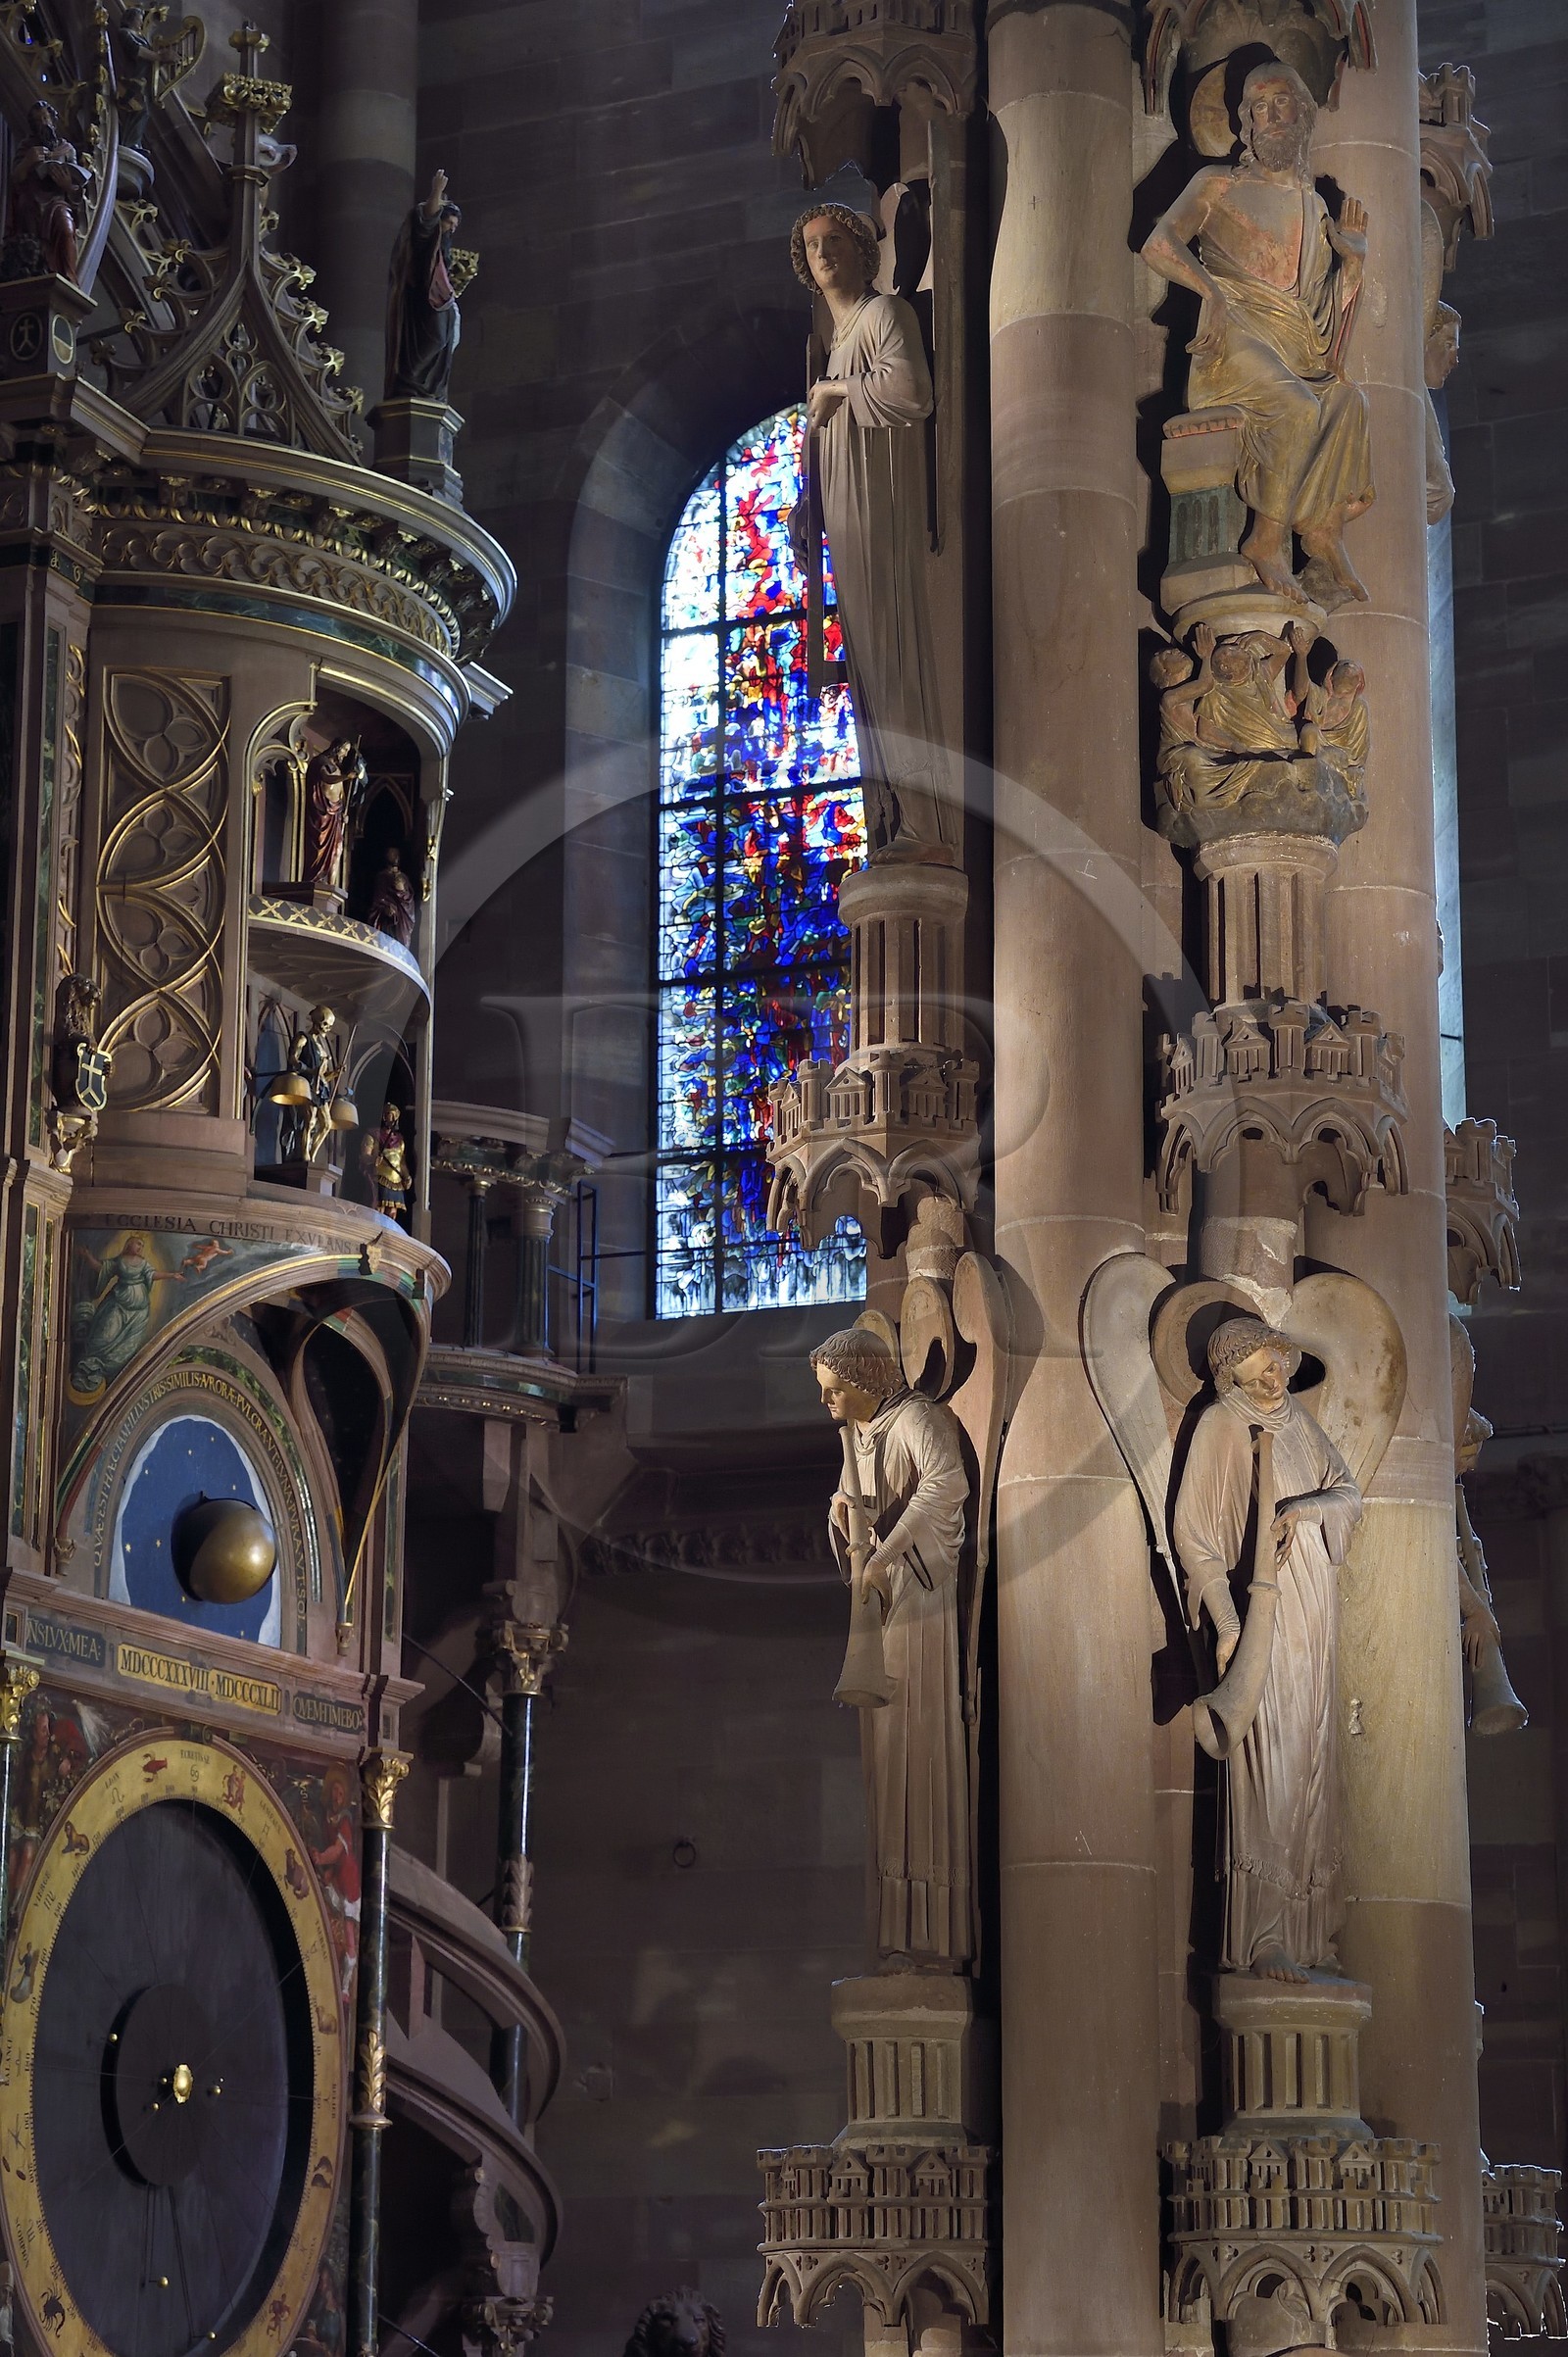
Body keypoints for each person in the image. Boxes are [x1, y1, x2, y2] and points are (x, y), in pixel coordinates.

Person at [1142, 62, 1373, 608]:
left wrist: (1354, 267)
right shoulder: (1218, 184)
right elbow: (1158, 245)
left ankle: (1321, 529)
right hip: (1231, 346)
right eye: (1258, 108)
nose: (1270, 116)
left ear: (1304, 113)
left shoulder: (1316, 207)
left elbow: (1325, 335)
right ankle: (1265, 540)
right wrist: (1211, 293)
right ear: (1245, 123)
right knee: (1297, 410)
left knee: (1347, 399)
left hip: (1293, 346)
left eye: (1280, 103)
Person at [1172, 1317, 1362, 1982]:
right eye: (1259, 1365)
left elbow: (1348, 1493)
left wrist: (1301, 1509)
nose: (1274, 1373)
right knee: (1270, 1768)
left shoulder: (1301, 1424)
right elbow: (1193, 1534)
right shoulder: (1222, 1425)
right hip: (1263, 1618)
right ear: (1233, 1372)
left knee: (1313, 1762)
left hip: (1314, 1614)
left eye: (1278, 1360)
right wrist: (1226, 1625)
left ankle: (1312, 1931)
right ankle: (1262, 1935)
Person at [791, 205, 955, 859]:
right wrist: (810, 506)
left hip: (883, 507)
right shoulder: (832, 340)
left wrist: (837, 390)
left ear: (864, 252)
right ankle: (888, 808)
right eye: (813, 246)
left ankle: (923, 816)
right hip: (847, 514)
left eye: (836, 241)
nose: (825, 252)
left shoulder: (885, 315)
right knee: (864, 661)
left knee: (890, 650)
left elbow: (914, 393)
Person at [812, 1325, 971, 1970]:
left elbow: (945, 1487)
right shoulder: (860, 1433)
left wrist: (884, 1554)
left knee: (915, 1748)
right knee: (888, 1755)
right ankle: (898, 1925)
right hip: (886, 1599)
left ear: (864, 1380)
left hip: (921, 1597)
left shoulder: (916, 1418)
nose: (826, 1401)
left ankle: (932, 1930)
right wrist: (844, 1516)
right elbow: (857, 1501)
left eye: (833, 1388)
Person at [385, 167, 463, 402]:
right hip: (420, 299)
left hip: (437, 300)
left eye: (455, 226)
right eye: (449, 223)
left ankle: (426, 388)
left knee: (443, 340)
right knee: (436, 338)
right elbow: (426, 220)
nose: (452, 228)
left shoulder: (443, 246)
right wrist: (437, 192)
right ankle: (410, 380)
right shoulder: (426, 235)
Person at [5, 98, 89, 282]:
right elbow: (15, 179)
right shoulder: (27, 147)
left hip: (57, 201)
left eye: (45, 118)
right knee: (30, 230)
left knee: (66, 229)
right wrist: (28, 162)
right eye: (38, 121)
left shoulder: (67, 149)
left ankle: (68, 278)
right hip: (31, 200)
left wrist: (67, 184)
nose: (43, 123)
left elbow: (77, 186)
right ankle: (37, 271)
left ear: (52, 120)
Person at [366, 844, 416, 946]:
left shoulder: (403, 877)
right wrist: (384, 909)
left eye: (397, 854)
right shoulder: (382, 876)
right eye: (392, 854)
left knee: (402, 943)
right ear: (386, 856)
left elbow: (409, 901)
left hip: (402, 920)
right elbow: (378, 900)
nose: (396, 857)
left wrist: (402, 892)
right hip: (387, 921)